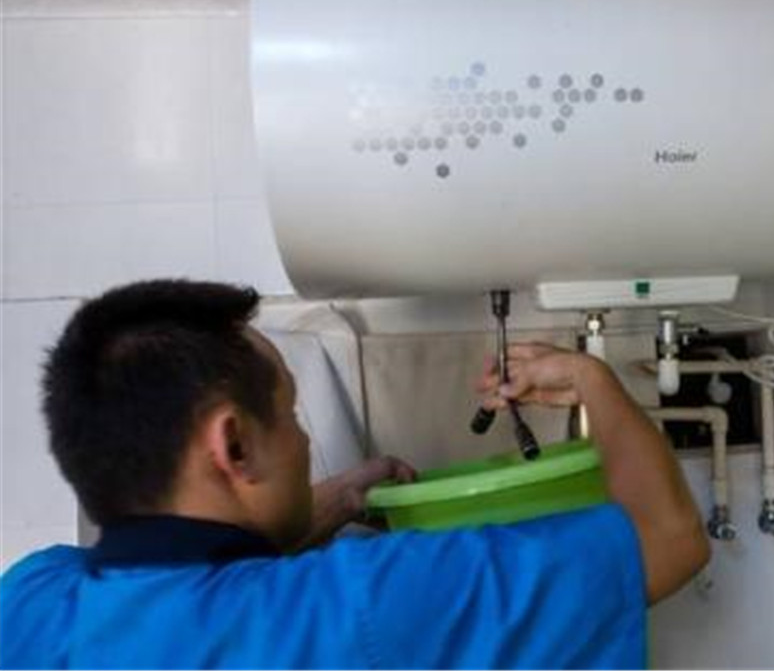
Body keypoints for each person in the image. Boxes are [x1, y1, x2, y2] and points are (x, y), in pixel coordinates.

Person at [0, 279, 709, 669]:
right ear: (234, 446)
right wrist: (593, 383)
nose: (303, 439)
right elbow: (666, 540)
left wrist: (339, 498)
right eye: (289, 414)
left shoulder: (29, 601)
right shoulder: (365, 605)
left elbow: (182, 580)